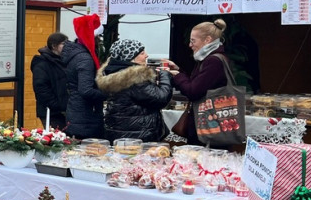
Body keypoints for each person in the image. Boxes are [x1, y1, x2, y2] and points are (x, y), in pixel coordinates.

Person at [96, 38, 173, 142]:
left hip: (121, 133)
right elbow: (161, 97)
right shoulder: (134, 78)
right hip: (138, 137)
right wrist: (165, 74)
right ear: (131, 58)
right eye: (142, 53)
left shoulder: (113, 74)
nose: (146, 55)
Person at [169, 18, 230, 146]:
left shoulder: (213, 61)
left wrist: (178, 76)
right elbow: (196, 84)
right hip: (209, 124)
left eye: (193, 41)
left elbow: (193, 91)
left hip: (209, 126)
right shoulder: (210, 58)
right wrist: (178, 70)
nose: (190, 45)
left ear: (207, 40)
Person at [62, 14, 107, 139]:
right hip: (86, 117)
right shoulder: (85, 59)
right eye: (98, 37)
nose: (100, 41)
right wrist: (107, 94)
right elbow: (86, 90)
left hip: (79, 112)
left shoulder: (77, 55)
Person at [30, 32, 69, 129]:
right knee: (57, 140)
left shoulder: (62, 61)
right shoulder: (42, 64)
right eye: (64, 44)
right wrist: (58, 105)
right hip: (51, 113)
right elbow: (41, 89)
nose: (67, 47)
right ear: (54, 46)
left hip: (62, 111)